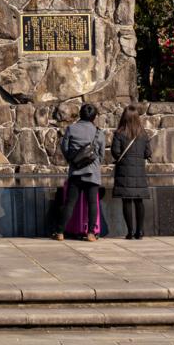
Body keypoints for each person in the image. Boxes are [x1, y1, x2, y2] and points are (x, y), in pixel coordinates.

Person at [54, 103, 103, 242]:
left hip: (76, 172)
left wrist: (71, 159)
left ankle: (60, 232)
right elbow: (101, 154)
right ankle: (91, 233)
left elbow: (64, 146)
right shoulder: (98, 132)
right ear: (94, 117)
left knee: (70, 203)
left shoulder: (72, 129)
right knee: (93, 203)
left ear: (81, 114)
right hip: (92, 173)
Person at [111, 106, 156, 240]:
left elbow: (115, 152)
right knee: (139, 201)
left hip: (124, 171)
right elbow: (148, 153)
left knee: (127, 201)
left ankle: (130, 232)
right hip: (139, 172)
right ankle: (140, 231)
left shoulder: (119, 133)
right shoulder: (143, 134)